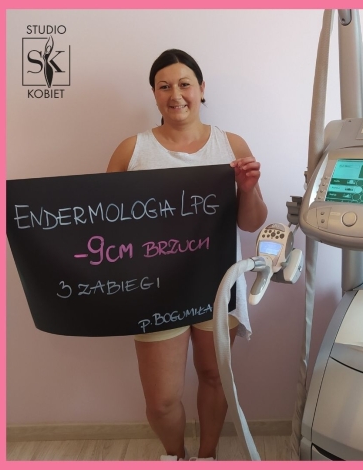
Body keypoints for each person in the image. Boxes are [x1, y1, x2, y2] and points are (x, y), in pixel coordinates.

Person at [107, 49, 268, 461]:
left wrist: (247, 189)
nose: (175, 94)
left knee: (214, 377)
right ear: (154, 94)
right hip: (154, 289)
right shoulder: (131, 151)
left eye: (184, 84)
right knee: (162, 399)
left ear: (201, 88)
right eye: (164, 86)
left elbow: (251, 223)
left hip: (218, 283)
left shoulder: (231, 144)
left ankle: (208, 456)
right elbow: (105, 223)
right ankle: (175, 457)